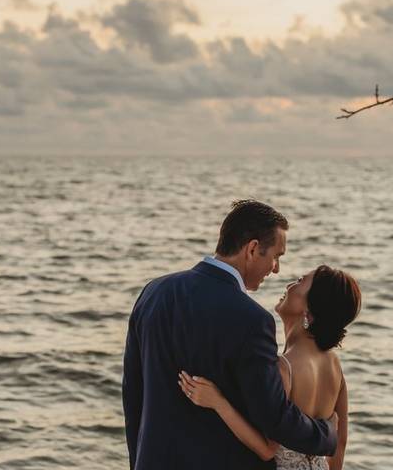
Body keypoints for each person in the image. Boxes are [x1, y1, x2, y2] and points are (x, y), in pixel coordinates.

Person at [122, 200, 337, 470]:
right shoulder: (252, 320)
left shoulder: (153, 292)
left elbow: (133, 396)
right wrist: (327, 433)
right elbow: (275, 418)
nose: (276, 268)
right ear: (253, 249)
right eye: (276, 256)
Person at [179, 265, 361, 470]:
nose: (290, 285)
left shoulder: (284, 368)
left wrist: (218, 402)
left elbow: (267, 449)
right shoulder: (334, 365)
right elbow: (340, 442)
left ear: (308, 311)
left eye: (300, 281)